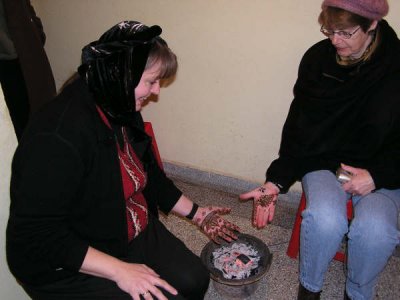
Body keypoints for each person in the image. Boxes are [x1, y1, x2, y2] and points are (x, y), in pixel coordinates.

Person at [6, 21, 240, 300]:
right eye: (151, 81)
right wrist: (119, 270)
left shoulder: (120, 103)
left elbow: (149, 174)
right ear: (119, 74)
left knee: (193, 280)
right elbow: (39, 234)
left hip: (120, 223)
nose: (156, 92)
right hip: (66, 258)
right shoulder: (57, 136)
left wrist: (199, 215)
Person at [240, 0, 400, 299]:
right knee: (325, 219)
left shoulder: (397, 65)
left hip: (382, 168)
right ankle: (310, 287)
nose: (334, 41)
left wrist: (377, 176)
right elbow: (300, 127)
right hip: (325, 161)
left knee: (376, 232)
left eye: (345, 33)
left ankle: (356, 293)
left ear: (373, 25)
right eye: (330, 30)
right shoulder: (317, 59)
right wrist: (276, 181)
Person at [0, 0, 56, 140]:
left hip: (28, 50)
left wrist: (38, 32)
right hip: (6, 64)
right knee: (19, 123)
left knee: (43, 112)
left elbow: (25, 6)